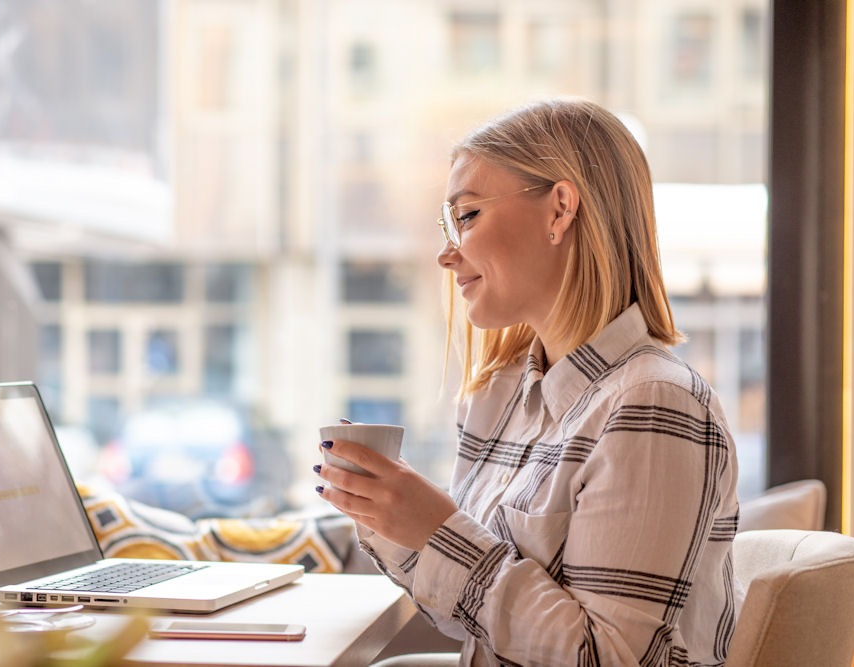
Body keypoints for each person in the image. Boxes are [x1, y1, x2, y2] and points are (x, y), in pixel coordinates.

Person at [314, 98, 740, 666]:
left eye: (466, 217)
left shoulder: (654, 403)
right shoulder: (501, 397)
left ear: (560, 209)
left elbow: (607, 658)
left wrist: (439, 531)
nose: (447, 254)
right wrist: (388, 515)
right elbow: (467, 617)